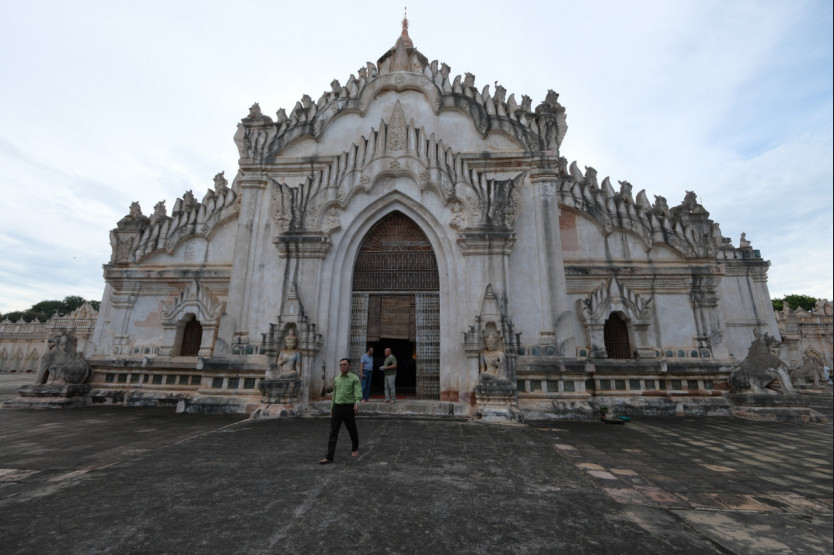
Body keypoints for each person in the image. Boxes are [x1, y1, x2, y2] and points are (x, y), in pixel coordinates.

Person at [319, 358, 361, 464]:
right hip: (337, 407)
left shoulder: (354, 378)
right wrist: (332, 407)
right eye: (341, 365)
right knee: (333, 432)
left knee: (352, 430)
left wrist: (357, 402)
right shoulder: (337, 379)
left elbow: (358, 391)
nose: (342, 366)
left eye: (344, 364)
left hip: (349, 408)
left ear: (349, 366)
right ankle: (329, 457)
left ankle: (355, 448)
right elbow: (334, 394)